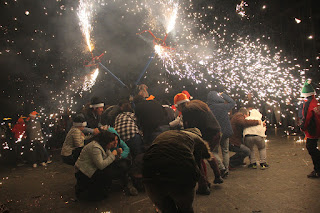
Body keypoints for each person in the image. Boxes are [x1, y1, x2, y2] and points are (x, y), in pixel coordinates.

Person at [142, 128, 211, 213]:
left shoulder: (167, 134)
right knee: (185, 209)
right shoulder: (196, 139)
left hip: (150, 172)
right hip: (180, 171)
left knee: (167, 209)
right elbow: (201, 161)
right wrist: (203, 185)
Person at [181, 100, 223, 195]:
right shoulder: (198, 105)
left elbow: (187, 127)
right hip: (216, 132)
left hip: (205, 134)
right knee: (207, 153)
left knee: (197, 159)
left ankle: (203, 186)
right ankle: (217, 176)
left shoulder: (187, 110)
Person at [75, 130, 118, 201]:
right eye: (111, 143)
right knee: (107, 173)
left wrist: (114, 155)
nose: (111, 145)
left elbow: (109, 157)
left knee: (111, 169)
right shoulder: (95, 147)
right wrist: (113, 155)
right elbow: (101, 165)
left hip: (92, 169)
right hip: (84, 172)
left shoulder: (103, 146)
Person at [207, 91, 236, 177]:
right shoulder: (224, 106)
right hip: (226, 132)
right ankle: (226, 169)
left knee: (213, 151)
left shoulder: (208, 108)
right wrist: (223, 95)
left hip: (215, 133)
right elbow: (232, 102)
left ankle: (221, 167)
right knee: (225, 151)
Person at [299, 79, 320, 178]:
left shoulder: (308, 103)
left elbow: (307, 117)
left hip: (312, 129)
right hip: (317, 128)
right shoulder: (315, 101)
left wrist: (303, 127)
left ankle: (317, 169)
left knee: (311, 148)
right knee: (313, 147)